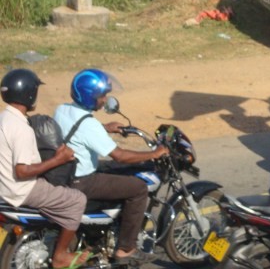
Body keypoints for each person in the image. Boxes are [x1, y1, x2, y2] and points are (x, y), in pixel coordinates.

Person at [53, 69, 169, 264]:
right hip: (83, 180)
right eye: (102, 96)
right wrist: (154, 154)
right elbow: (120, 156)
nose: (105, 99)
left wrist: (105, 128)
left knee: (114, 169)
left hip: (67, 172)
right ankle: (126, 249)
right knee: (138, 188)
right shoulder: (89, 125)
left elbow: (77, 129)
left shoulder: (62, 109)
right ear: (89, 97)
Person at [0, 69, 90, 269]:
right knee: (77, 200)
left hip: (4, 187)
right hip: (22, 189)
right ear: (29, 94)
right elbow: (22, 171)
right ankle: (61, 256)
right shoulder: (21, 129)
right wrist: (59, 159)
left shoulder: (4, 118)